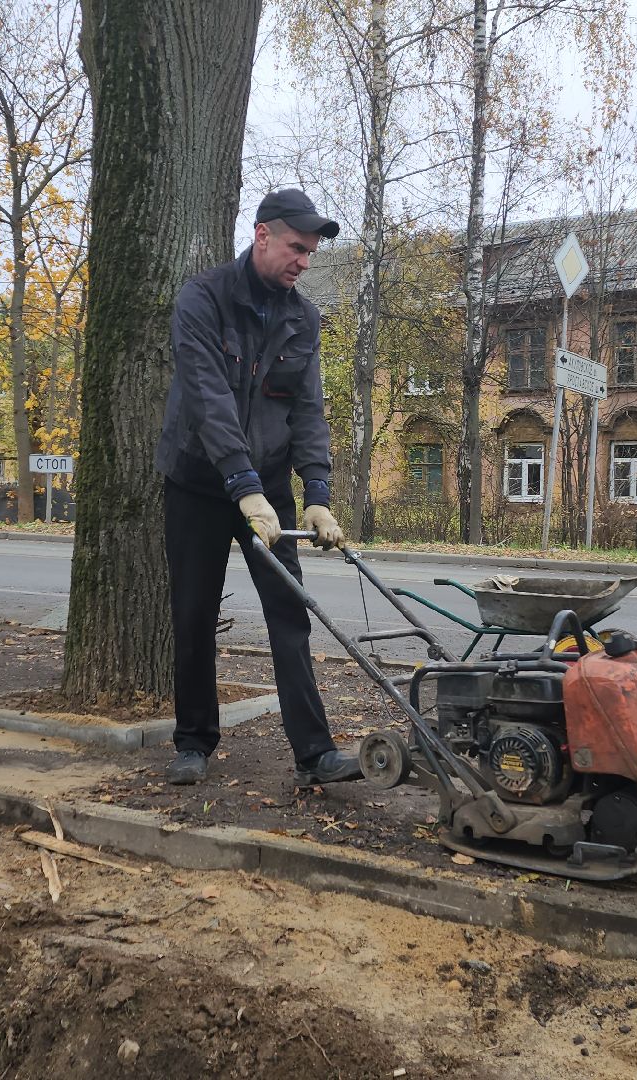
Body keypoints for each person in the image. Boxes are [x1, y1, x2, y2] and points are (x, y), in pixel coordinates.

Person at [155, 188, 359, 788]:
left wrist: (317, 493)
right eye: (297, 247)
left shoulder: (304, 319)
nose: (305, 261)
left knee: (289, 612)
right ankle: (193, 742)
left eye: (312, 252)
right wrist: (241, 486)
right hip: (198, 480)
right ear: (262, 235)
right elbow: (208, 398)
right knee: (193, 613)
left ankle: (314, 754)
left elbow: (308, 409)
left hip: (267, 485)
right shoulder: (203, 299)